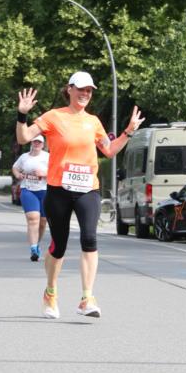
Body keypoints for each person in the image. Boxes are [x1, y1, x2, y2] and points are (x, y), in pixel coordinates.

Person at [16, 71, 144, 319]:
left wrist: (129, 130)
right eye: (81, 89)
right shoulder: (54, 117)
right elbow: (23, 137)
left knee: (89, 238)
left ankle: (87, 298)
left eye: (89, 90)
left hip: (88, 188)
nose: (86, 94)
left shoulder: (93, 121)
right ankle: (50, 293)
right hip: (59, 189)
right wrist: (22, 114)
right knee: (59, 244)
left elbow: (108, 151)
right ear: (70, 89)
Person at [12, 136, 50, 261]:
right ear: (31, 143)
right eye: (35, 141)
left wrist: (44, 174)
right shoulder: (24, 157)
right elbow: (15, 168)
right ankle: (33, 248)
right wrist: (18, 174)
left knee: (43, 222)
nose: (37, 144)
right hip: (28, 189)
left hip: (44, 191)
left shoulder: (48, 157)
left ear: (43, 144)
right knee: (33, 218)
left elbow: (57, 172)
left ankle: (37, 243)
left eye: (39, 142)